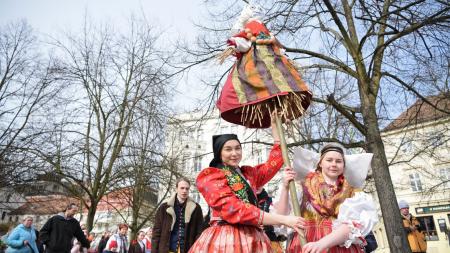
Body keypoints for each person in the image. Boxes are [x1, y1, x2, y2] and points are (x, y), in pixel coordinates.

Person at [188, 115, 305, 253]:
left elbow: (274, 163)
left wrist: (275, 128)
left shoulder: (249, 174)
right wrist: (283, 219)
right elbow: (234, 209)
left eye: (238, 148)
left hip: (254, 238)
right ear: (219, 153)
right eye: (228, 149)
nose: (235, 153)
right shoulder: (211, 176)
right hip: (226, 239)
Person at [274, 143, 378, 253]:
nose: (334, 164)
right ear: (320, 163)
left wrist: (321, 244)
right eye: (329, 160)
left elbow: (351, 227)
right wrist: (285, 187)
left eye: (338, 161)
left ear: (343, 165)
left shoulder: (353, 193)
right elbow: (280, 220)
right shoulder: (301, 187)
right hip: (305, 243)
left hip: (338, 247)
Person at [151, 177, 204, 253]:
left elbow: (199, 232)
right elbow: (156, 232)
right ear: (176, 189)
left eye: (187, 189)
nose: (184, 191)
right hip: (166, 249)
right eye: (182, 188)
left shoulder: (196, 208)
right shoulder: (164, 207)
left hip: (188, 250)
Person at [256, 187, 286, 253]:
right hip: (250, 242)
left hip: (271, 242)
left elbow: (279, 222)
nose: (257, 185)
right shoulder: (240, 201)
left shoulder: (271, 201)